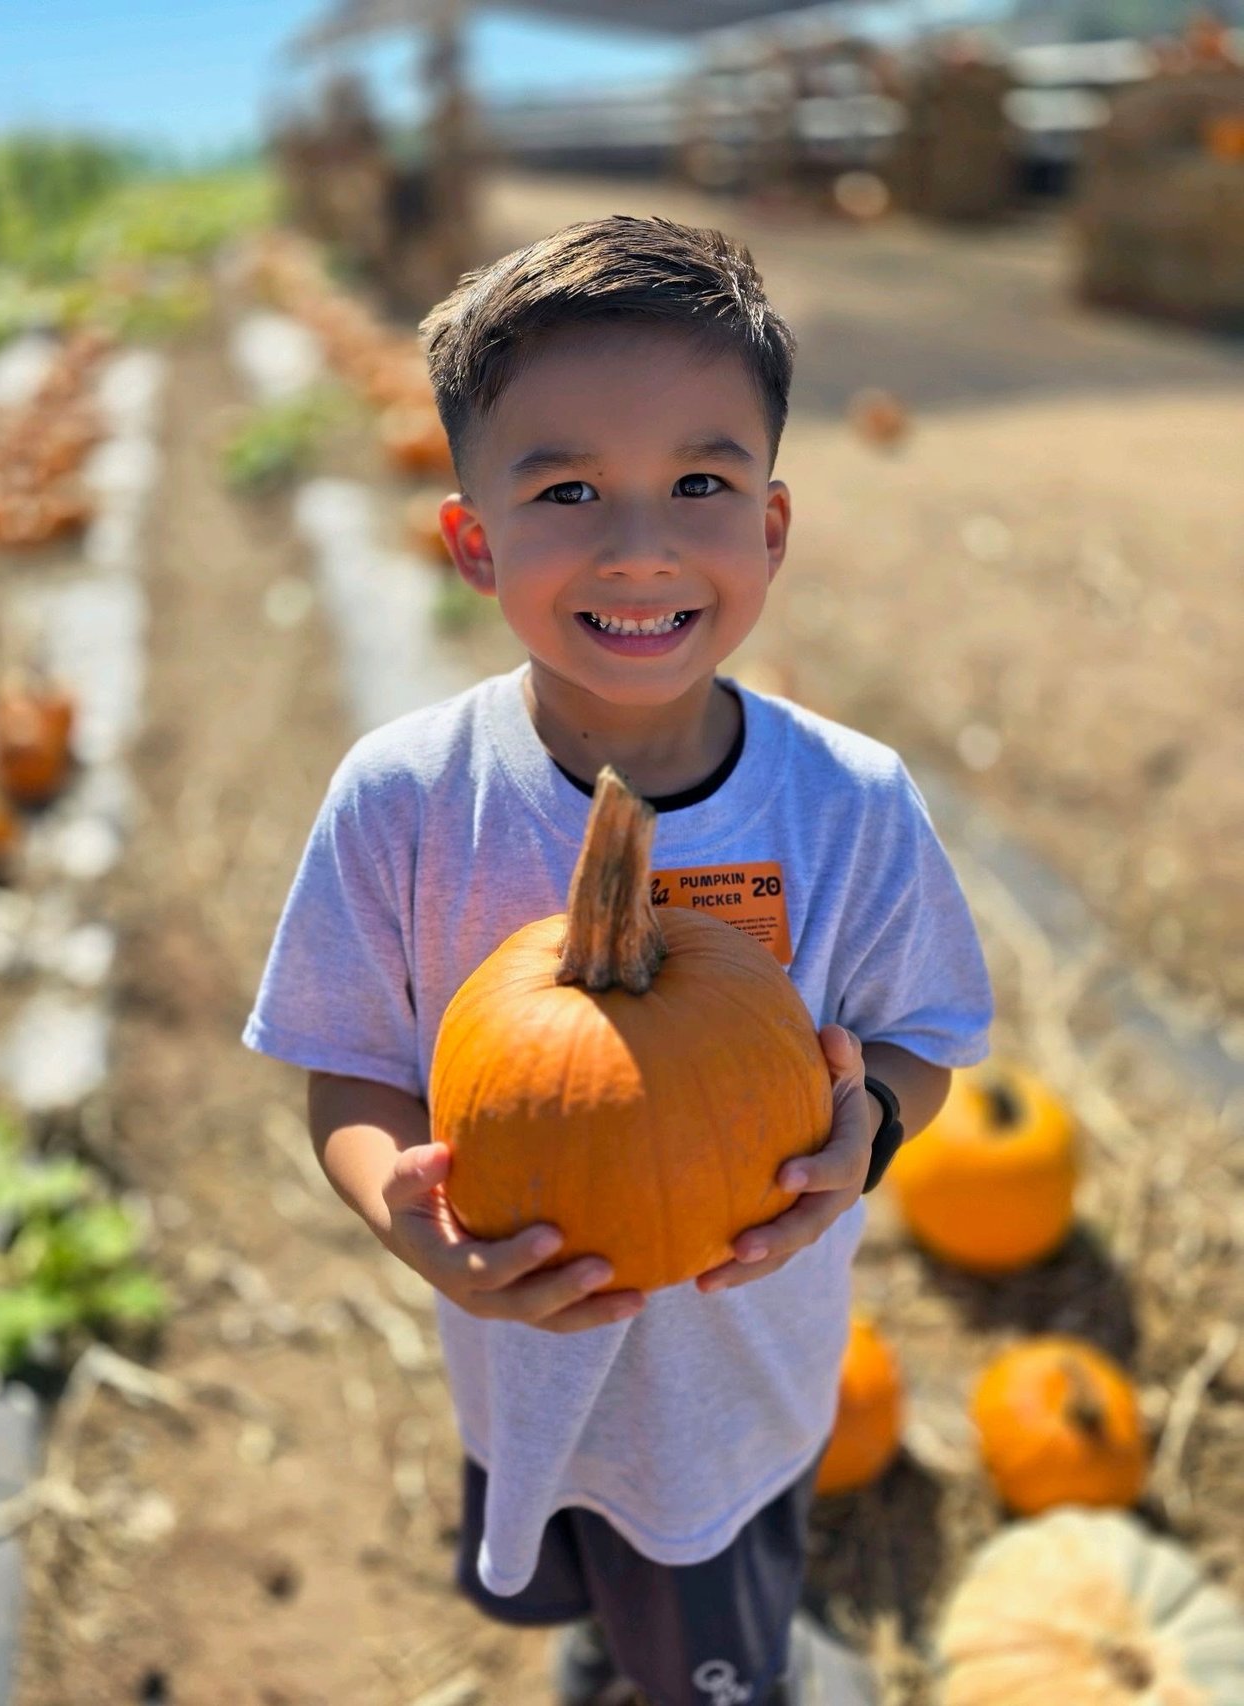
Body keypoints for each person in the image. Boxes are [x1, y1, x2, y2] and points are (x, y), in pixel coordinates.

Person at [242, 214, 993, 1706]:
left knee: (710, 1645)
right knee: (579, 1570)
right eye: (568, 487)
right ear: (471, 539)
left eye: (699, 485)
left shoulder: (848, 802)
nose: (640, 545)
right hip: (519, 1370)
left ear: (770, 528)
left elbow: (921, 1028)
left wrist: (875, 1128)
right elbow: (347, 1068)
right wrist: (404, 1213)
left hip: (734, 1393)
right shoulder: (404, 800)